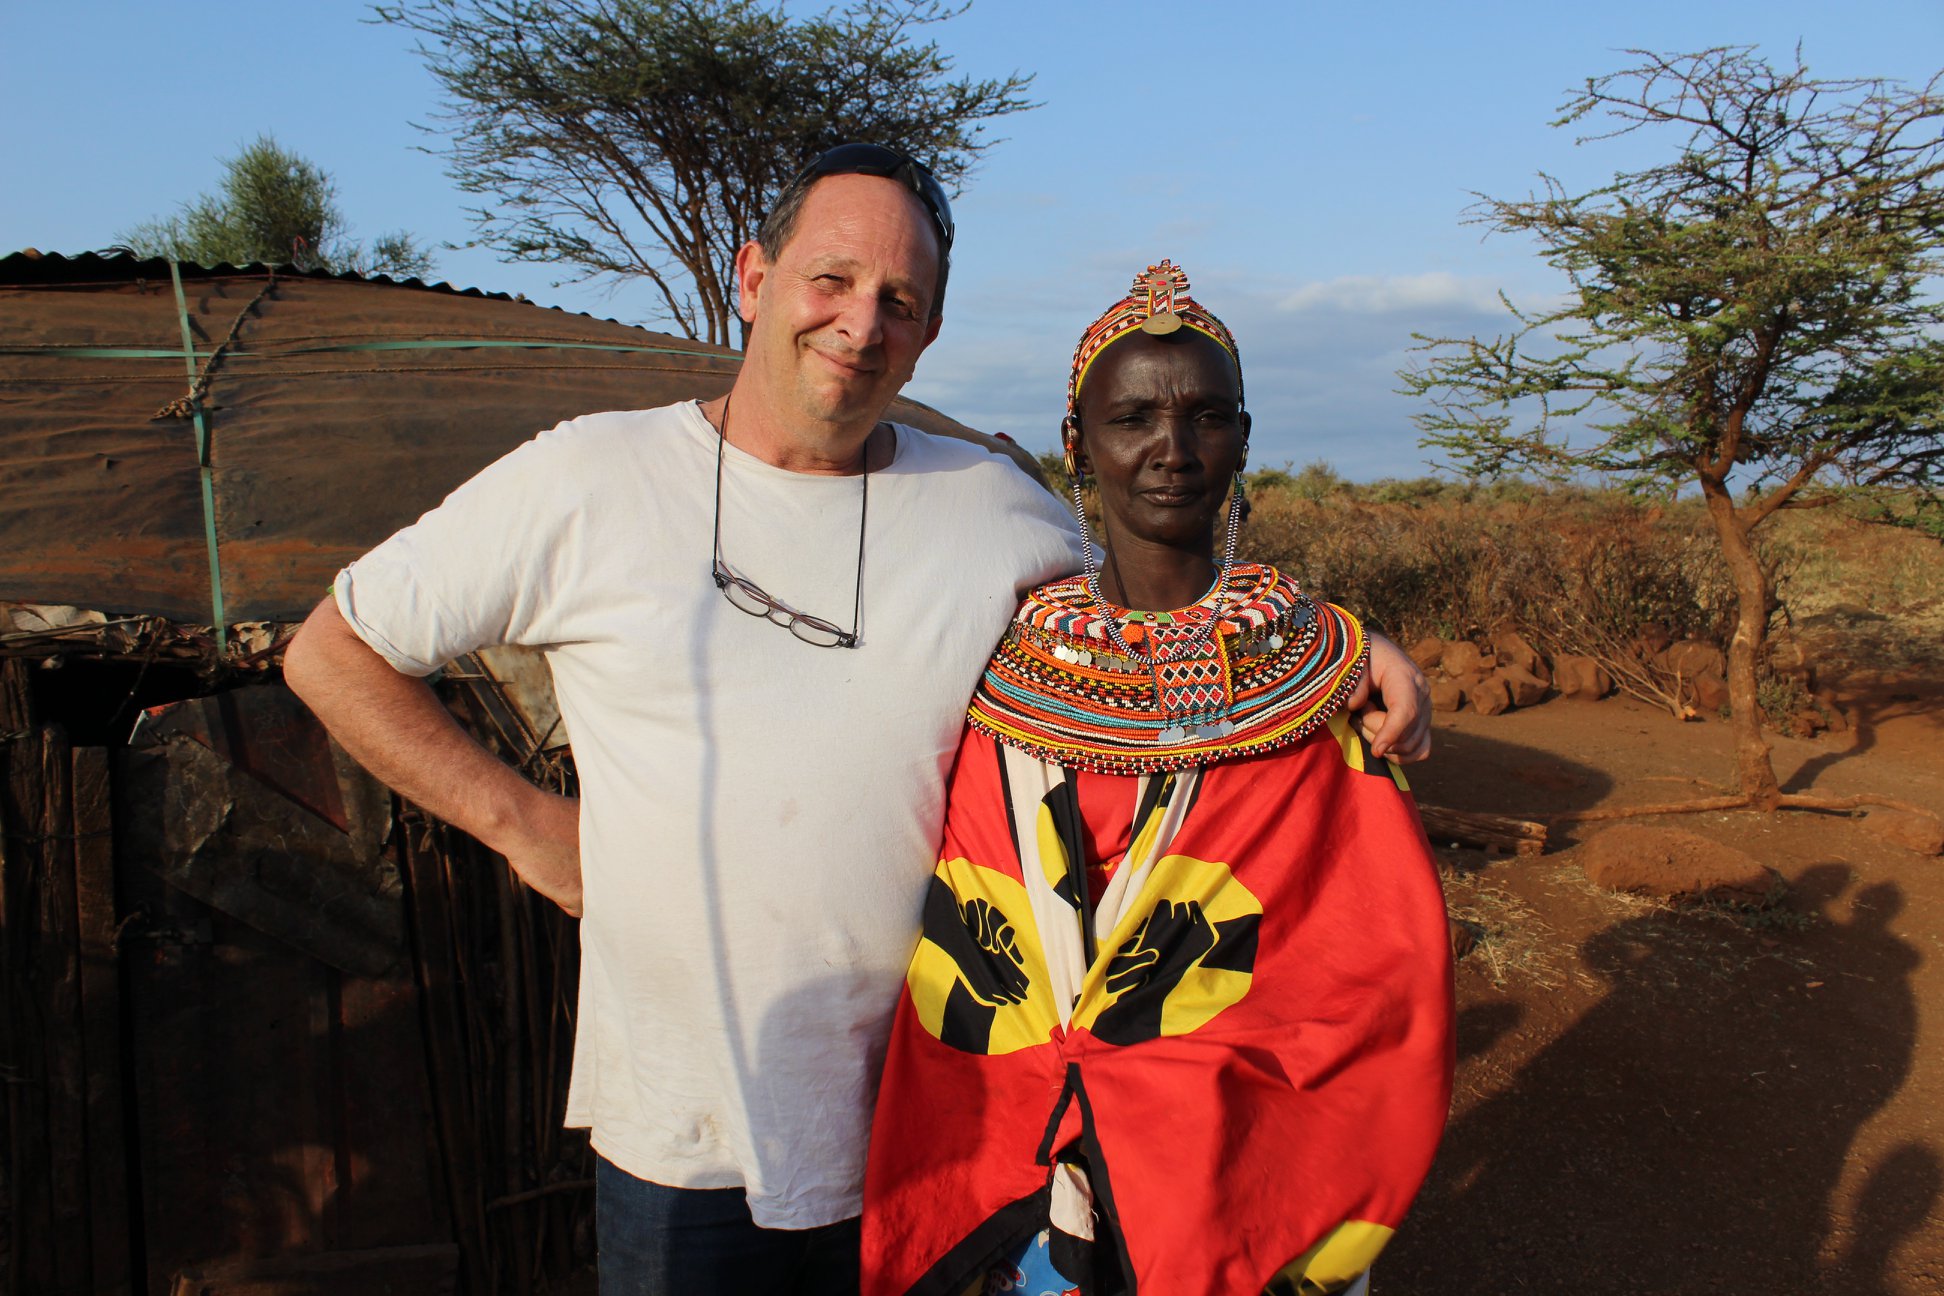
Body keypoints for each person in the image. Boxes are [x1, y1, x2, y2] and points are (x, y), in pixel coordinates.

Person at [283, 146, 1431, 1296]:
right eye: (830, 279)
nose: (860, 323)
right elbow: (331, 650)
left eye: (899, 301)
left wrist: (1337, 646)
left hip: (936, 1130)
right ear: (754, 277)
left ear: (927, 334)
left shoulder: (988, 504)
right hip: (688, 1139)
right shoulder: (590, 479)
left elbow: (1151, 612)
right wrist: (527, 827)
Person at [861, 262, 1455, 1296]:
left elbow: (1371, 957)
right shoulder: (1000, 654)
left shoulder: (1312, 673)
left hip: (1232, 1142)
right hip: (1012, 1117)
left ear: (1244, 438)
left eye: (1206, 417)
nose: (1172, 450)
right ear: (1076, 442)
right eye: (1133, 418)